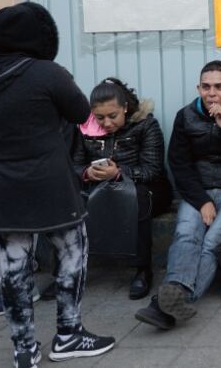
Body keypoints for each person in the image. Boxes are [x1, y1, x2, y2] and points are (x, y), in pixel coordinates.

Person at [0, 2, 115, 366]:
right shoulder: (48, 73)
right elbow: (83, 114)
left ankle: (24, 350)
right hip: (49, 186)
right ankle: (68, 335)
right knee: (72, 252)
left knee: (14, 266)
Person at [134, 60, 221, 330]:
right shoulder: (186, 116)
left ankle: (170, 300)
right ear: (198, 88)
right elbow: (179, 165)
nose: (212, 93)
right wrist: (203, 200)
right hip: (200, 192)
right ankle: (172, 301)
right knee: (186, 233)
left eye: (219, 87)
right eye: (206, 87)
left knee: (213, 240)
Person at [72, 78, 172, 299]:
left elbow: (152, 170)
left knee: (138, 198)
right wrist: (86, 173)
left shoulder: (145, 125)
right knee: (68, 200)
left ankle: (142, 270)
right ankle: (71, 270)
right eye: (100, 117)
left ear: (125, 107)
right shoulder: (84, 129)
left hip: (146, 188)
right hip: (100, 188)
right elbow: (75, 165)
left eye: (113, 116)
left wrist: (119, 172)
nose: (106, 123)